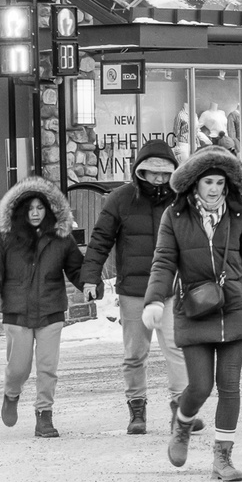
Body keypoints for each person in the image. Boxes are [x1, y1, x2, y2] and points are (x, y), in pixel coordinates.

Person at [143, 144, 242, 482]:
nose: (214, 188)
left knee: (228, 385)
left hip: (234, 306)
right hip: (195, 308)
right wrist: (155, 300)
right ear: (194, 184)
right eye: (208, 182)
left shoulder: (239, 216)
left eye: (219, 182)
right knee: (199, 386)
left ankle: (222, 458)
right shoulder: (175, 216)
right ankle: (182, 426)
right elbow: (163, 261)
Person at [80, 138, 195, 436]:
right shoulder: (119, 199)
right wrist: (90, 277)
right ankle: (137, 410)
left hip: (171, 288)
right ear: (140, 172)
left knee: (176, 348)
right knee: (134, 354)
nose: (158, 178)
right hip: (133, 289)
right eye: (152, 172)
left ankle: (181, 411)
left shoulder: (182, 200)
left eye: (164, 172)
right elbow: (101, 239)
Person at [0, 178, 85, 438]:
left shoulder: (61, 238)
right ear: (19, 211)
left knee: (48, 368)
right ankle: (11, 394)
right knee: (19, 368)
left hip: (51, 311)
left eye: (40, 207)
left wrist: (92, 284)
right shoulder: (5, 239)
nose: (35, 213)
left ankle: (44, 415)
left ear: (49, 209)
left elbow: (77, 269)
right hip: (18, 313)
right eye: (30, 208)